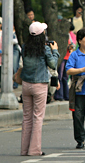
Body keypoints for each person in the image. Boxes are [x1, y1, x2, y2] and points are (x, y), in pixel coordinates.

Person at [20, 22, 59, 156]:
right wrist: (55, 51)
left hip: (26, 84)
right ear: (42, 34)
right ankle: (34, 150)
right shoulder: (45, 49)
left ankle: (24, 149)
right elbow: (53, 65)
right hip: (40, 85)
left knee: (27, 117)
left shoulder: (24, 47)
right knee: (37, 118)